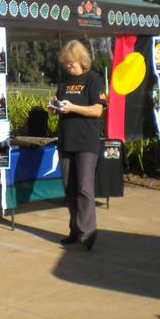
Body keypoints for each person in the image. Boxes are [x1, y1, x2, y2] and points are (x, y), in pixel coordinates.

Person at [49, 40, 107, 251]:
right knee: (69, 187)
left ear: (82, 60)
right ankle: (75, 229)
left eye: (71, 63)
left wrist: (73, 107)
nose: (68, 67)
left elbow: (97, 110)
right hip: (66, 140)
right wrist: (54, 108)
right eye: (65, 64)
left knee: (84, 187)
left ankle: (88, 232)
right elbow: (59, 106)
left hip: (86, 141)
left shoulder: (93, 80)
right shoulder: (64, 82)